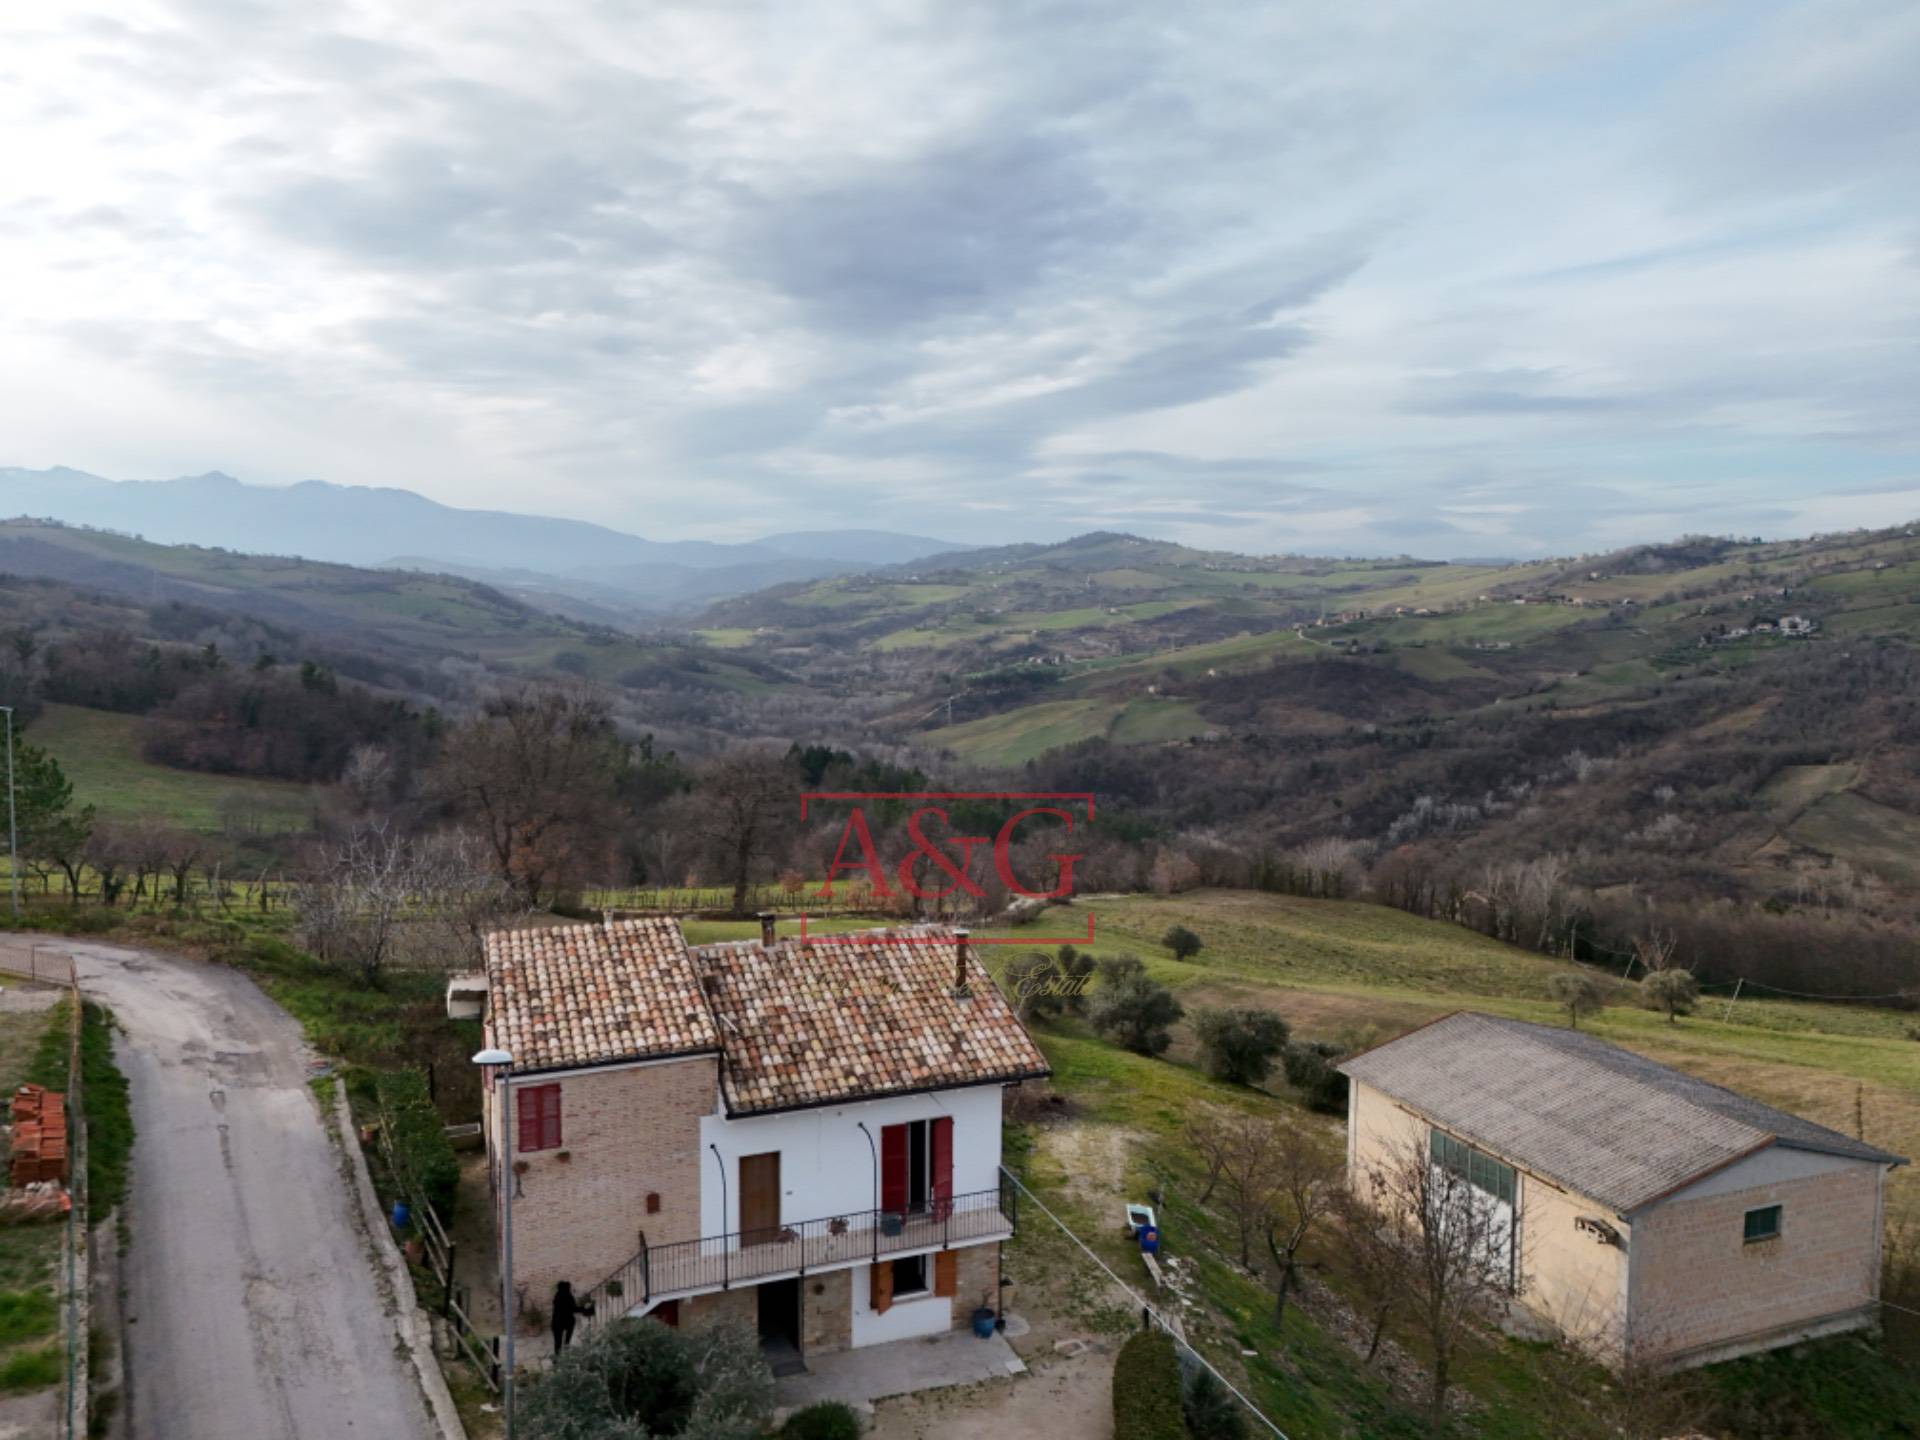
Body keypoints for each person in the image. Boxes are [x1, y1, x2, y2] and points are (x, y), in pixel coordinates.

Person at [551, 1280, 594, 1353]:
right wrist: (584, 1307)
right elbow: (573, 1309)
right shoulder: (569, 1297)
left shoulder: (556, 1297)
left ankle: (556, 1360)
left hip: (556, 1322)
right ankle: (567, 1354)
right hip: (568, 1322)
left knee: (557, 1342)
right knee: (567, 1340)